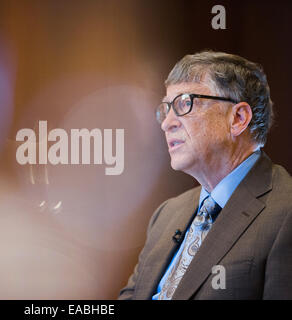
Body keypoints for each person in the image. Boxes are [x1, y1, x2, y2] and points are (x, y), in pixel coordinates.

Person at [118, 50, 292, 300]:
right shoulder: (166, 214)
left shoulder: (285, 213)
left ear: (238, 118)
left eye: (184, 103)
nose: (167, 123)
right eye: (166, 109)